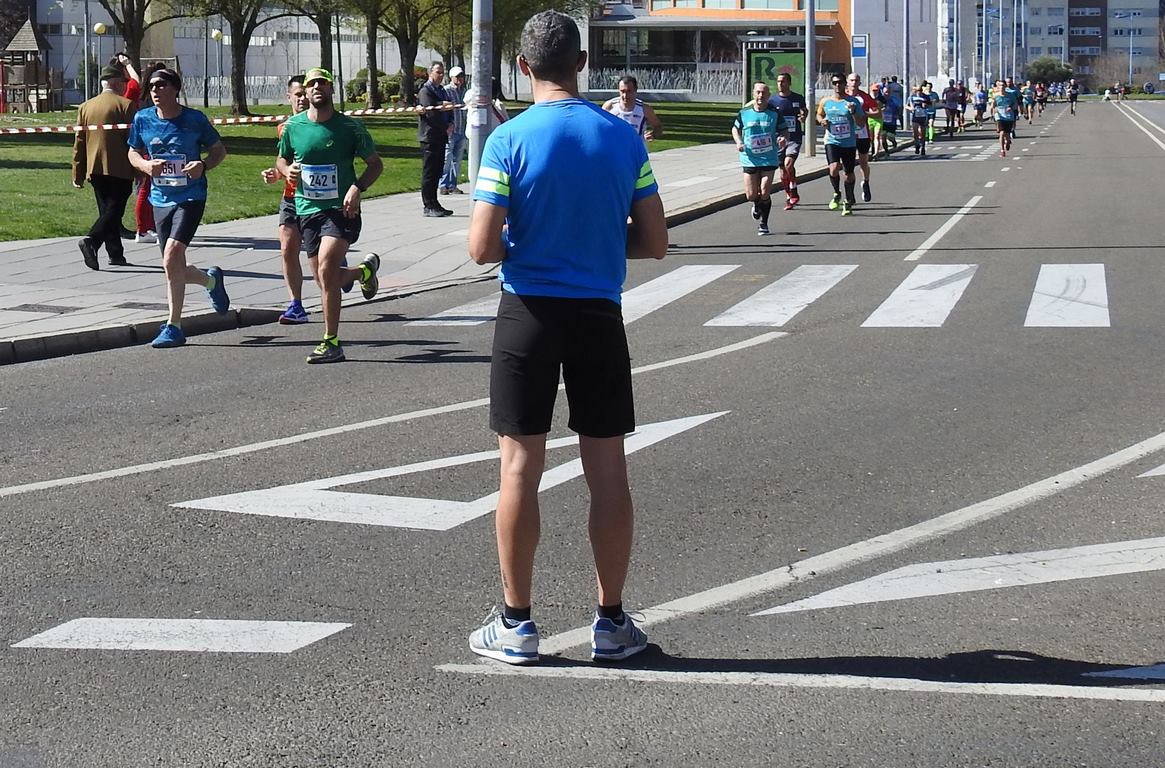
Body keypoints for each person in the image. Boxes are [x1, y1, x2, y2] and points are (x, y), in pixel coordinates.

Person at [466, 10, 668, 665]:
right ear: (582, 63)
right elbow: (655, 241)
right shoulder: (621, 137)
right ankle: (609, 621)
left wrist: (526, 241)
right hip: (597, 313)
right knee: (606, 470)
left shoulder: (508, 140)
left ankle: (516, 623)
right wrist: (600, 242)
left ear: (523, 67)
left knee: (519, 466)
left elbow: (479, 247)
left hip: (527, 310)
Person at [277, 67, 383, 364]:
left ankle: (331, 341)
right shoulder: (294, 126)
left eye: (323, 83)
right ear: (306, 92)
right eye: (312, 84)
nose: (317, 88)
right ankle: (363, 272)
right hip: (307, 210)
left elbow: (375, 164)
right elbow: (282, 158)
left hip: (341, 210)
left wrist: (357, 187)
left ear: (331, 89)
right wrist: (288, 171)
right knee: (326, 280)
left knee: (326, 266)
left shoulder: (350, 128)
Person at [126, 67, 229, 349]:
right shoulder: (142, 119)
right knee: (173, 266)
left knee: (171, 256)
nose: (155, 91)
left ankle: (174, 326)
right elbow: (132, 151)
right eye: (151, 87)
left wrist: (204, 165)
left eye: (160, 86)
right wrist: (146, 165)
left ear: (175, 88)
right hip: (159, 199)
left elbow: (219, 150)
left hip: (191, 196)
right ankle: (210, 281)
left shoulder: (194, 119)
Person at [260, 74, 325, 325]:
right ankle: (296, 304)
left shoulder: (323, 124)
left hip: (319, 201)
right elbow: (286, 160)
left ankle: (356, 273)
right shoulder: (285, 128)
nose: (301, 99)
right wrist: (276, 173)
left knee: (322, 268)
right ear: (289, 97)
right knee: (287, 247)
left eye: (303, 94)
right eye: (296, 95)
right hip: (291, 197)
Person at [72, 65, 137, 270]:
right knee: (114, 210)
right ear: (117, 83)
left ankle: (115, 253)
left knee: (106, 210)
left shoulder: (85, 107)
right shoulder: (126, 105)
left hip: (95, 167)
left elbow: (79, 142)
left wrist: (78, 172)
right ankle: (92, 240)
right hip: (121, 167)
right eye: (124, 83)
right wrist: (140, 169)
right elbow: (134, 140)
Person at [733, 81, 786, 235]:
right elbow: (735, 129)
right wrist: (739, 142)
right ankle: (756, 204)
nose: (760, 96)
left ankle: (764, 223)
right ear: (753, 94)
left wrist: (783, 138)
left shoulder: (774, 113)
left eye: (764, 93)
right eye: (758, 92)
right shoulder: (744, 113)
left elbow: (784, 131)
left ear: (769, 95)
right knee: (750, 195)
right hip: (749, 157)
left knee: (764, 191)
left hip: (769, 157)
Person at [817, 74, 864, 215]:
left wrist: (854, 112)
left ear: (845, 84)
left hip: (848, 142)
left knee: (848, 174)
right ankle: (837, 193)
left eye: (840, 82)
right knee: (834, 167)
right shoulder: (826, 101)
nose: (837, 85)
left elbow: (861, 123)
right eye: (835, 83)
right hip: (832, 140)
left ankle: (848, 199)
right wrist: (821, 121)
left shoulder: (852, 101)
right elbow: (818, 114)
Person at [417, 62, 453, 217]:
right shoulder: (426, 91)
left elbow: (449, 107)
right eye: (438, 72)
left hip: (441, 136)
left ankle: (435, 203)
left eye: (442, 72)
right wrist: (441, 106)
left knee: (438, 171)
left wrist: (450, 123)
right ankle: (428, 204)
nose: (440, 75)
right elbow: (430, 111)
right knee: (430, 173)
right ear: (430, 73)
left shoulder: (442, 91)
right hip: (430, 137)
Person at [767, 72, 807, 209]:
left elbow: (804, 110)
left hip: (794, 137)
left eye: (783, 81)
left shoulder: (797, 98)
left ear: (789, 83)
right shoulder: (772, 101)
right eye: (778, 81)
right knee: (783, 170)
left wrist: (803, 116)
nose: (780, 84)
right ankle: (789, 195)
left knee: (788, 164)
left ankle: (794, 191)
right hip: (779, 139)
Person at [846, 72, 879, 202]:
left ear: (860, 83)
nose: (854, 83)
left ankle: (865, 182)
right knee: (848, 165)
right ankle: (850, 193)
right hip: (846, 134)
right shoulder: (842, 97)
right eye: (852, 80)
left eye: (857, 80)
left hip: (862, 133)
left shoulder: (864, 97)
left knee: (863, 162)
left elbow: (877, 112)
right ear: (847, 82)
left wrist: (864, 113)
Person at [601, 74, 663, 144]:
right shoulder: (609, 106)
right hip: (615, 149)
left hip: (636, 150)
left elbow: (658, 126)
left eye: (629, 91)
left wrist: (652, 134)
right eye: (622, 91)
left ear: (635, 90)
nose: (625, 95)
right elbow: (599, 126)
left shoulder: (644, 108)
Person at [439, 66, 468, 195]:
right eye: (457, 77)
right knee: (447, 158)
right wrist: (446, 125)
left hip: (462, 129)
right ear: (451, 77)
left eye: (461, 76)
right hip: (451, 130)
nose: (460, 79)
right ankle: (443, 184)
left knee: (458, 159)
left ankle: (453, 184)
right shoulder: (446, 91)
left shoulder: (464, 92)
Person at [991, 78, 1017, 158]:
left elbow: (1015, 104)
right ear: (998, 87)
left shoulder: (1011, 95)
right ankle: (1002, 150)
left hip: (1008, 117)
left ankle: (1008, 141)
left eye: (1003, 85)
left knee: (1007, 133)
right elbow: (993, 106)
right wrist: (993, 113)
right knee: (1001, 133)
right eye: (1000, 85)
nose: (1001, 87)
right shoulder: (996, 96)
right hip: (999, 116)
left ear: (1005, 86)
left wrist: (1011, 108)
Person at [906, 83, 931, 156]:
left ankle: (923, 147)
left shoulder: (925, 97)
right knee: (915, 133)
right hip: (915, 117)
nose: (919, 92)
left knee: (923, 133)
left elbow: (930, 104)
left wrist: (926, 105)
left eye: (920, 90)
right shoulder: (911, 97)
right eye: (917, 90)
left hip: (923, 116)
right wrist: (910, 108)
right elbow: (906, 105)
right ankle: (917, 145)